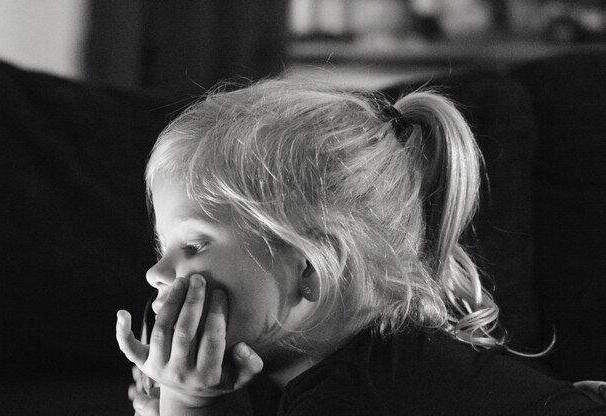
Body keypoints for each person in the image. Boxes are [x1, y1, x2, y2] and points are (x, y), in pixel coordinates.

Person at [116, 79, 606, 415]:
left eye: (194, 244)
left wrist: (189, 403)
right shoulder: (369, 363)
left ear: (311, 269)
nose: (157, 271)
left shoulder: (355, 399)